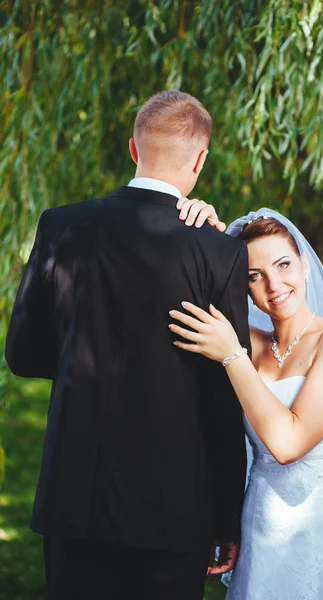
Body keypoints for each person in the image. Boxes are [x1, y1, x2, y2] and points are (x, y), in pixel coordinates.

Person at [5, 91, 251, 600]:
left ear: (133, 150)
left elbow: (22, 356)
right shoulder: (220, 250)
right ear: (200, 159)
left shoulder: (61, 225)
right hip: (175, 508)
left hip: (76, 497)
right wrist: (227, 517)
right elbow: (225, 394)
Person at [171, 204, 323, 599]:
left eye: (284, 265)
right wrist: (203, 229)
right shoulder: (247, 340)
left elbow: (289, 444)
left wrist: (231, 356)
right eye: (255, 275)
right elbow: (177, 295)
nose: (274, 285)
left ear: (305, 264)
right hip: (260, 530)